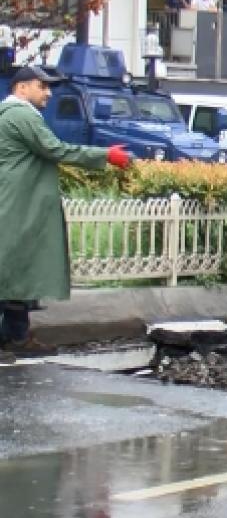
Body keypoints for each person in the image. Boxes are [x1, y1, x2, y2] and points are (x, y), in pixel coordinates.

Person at [0, 66, 133, 363]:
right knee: (14, 273)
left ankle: (15, 335)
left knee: (13, 272)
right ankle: (16, 337)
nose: (48, 93)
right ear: (21, 88)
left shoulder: (8, 114)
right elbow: (55, 149)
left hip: (13, 201)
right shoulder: (21, 116)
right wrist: (105, 155)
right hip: (19, 205)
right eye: (42, 86)